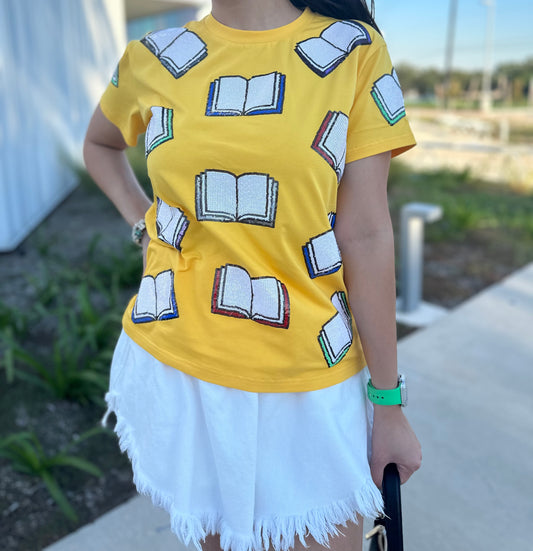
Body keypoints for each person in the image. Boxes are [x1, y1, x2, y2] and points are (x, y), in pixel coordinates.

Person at [83, 1, 421, 550]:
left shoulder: (352, 52)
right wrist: (144, 226)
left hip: (310, 377)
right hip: (189, 367)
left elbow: (366, 235)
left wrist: (388, 405)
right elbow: (99, 145)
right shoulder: (155, 56)